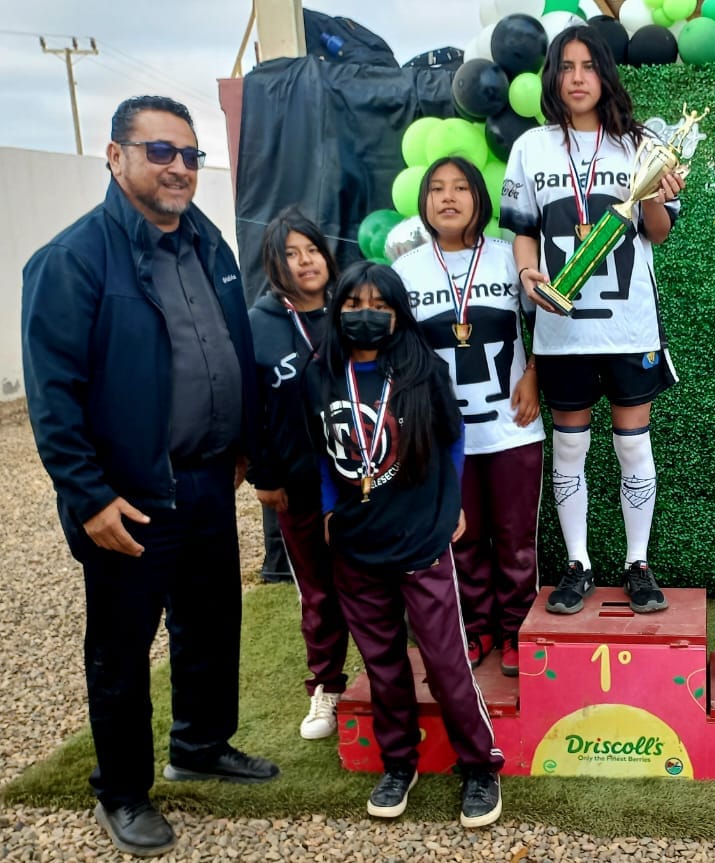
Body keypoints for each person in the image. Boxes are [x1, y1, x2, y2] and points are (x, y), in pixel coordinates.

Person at [21, 95, 278, 858]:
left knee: (210, 620)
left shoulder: (209, 245)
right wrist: (88, 494)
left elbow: (234, 348)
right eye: (160, 151)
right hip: (127, 496)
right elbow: (53, 394)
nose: (179, 167)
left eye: (191, 155)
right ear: (115, 156)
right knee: (122, 648)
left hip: (205, 480)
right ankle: (124, 789)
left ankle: (200, 742)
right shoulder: (71, 260)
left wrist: (242, 448)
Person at [501, 24, 684, 615]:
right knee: (571, 451)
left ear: (605, 73)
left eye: (587, 65)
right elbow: (523, 233)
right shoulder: (532, 147)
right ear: (553, 77)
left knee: (633, 447)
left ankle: (638, 563)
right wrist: (529, 276)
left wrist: (653, 190)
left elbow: (659, 231)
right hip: (561, 329)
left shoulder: (640, 142)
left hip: (629, 327)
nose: (577, 78)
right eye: (566, 66)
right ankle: (577, 564)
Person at [316, 261, 503, 826]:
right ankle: (399, 762)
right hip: (356, 546)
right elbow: (322, 451)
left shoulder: (421, 371)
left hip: (421, 539)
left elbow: (453, 439)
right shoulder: (320, 374)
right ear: (337, 310)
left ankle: (479, 765)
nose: (365, 315)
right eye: (352, 305)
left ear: (397, 312)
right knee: (382, 664)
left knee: (447, 661)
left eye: (378, 304)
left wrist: (450, 510)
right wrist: (329, 509)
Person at [394, 156, 544, 675]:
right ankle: (475, 629)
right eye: (436, 189)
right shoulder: (406, 272)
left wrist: (535, 376)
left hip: (512, 429)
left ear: (480, 199)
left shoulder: (510, 258)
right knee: (463, 540)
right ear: (425, 203)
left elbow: (547, 322)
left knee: (516, 541)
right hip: (446, 437)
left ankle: (517, 631)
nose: (449, 197)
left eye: (461, 187)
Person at [247, 205, 350, 739]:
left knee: (376, 580)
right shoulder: (258, 325)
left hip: (362, 479)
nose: (305, 261)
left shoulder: (352, 308)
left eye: (311, 249)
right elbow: (250, 409)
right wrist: (265, 475)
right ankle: (327, 686)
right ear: (274, 263)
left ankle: (393, 675)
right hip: (300, 483)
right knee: (317, 589)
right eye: (291, 253)